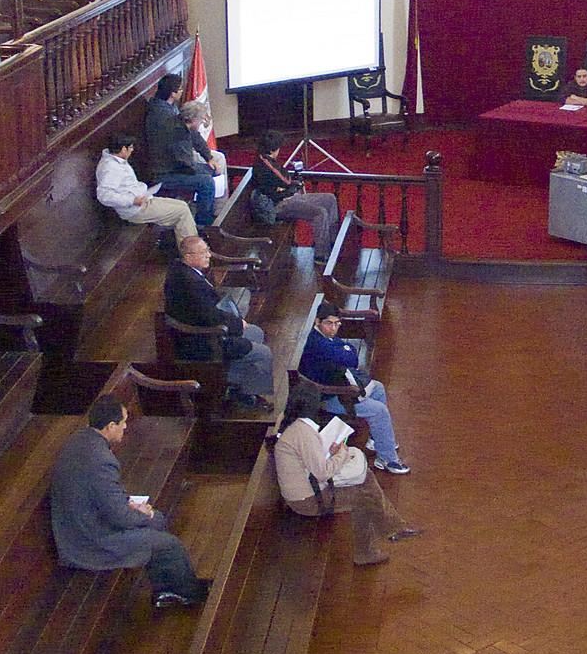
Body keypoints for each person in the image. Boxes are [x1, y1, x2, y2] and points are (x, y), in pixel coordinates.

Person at [49, 395, 208, 608]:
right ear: (111, 426)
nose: (126, 427)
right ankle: (189, 594)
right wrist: (144, 513)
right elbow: (119, 516)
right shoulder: (101, 460)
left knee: (156, 522)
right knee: (168, 543)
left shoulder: (80, 439)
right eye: (123, 422)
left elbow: (104, 496)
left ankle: (166, 590)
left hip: (85, 524)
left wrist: (132, 507)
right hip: (89, 541)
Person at [274, 379, 422, 566]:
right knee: (363, 497)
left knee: (365, 477)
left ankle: (393, 528)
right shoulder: (303, 432)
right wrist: (342, 452)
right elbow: (322, 473)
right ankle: (369, 549)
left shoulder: (291, 422)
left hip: (306, 487)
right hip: (306, 500)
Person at [162, 235, 276, 408]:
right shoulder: (190, 282)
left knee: (256, 333)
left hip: (205, 325)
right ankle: (244, 391)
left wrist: (236, 321)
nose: (209, 255)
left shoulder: (182, 270)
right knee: (264, 353)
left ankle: (241, 384)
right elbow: (209, 316)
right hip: (201, 339)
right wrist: (237, 323)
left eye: (207, 250)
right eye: (203, 252)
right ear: (188, 257)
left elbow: (207, 311)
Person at [298, 301, 411, 473]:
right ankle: (387, 460)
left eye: (337, 323)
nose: (334, 328)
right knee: (379, 410)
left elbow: (349, 351)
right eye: (329, 323)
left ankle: (376, 440)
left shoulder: (324, 336)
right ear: (317, 322)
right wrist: (345, 350)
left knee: (378, 388)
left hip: (336, 383)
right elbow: (351, 358)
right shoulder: (318, 344)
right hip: (327, 396)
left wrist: (345, 349)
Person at [250, 130, 342, 260]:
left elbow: (284, 182)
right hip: (276, 206)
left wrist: (286, 187)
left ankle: (333, 243)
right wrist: (288, 186)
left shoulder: (267, 159)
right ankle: (321, 255)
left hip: (285, 197)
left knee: (330, 199)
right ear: (273, 149)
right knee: (319, 213)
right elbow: (285, 179)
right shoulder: (265, 163)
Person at [94, 133, 198, 242]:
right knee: (181, 212)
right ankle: (192, 252)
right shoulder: (110, 168)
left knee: (182, 205)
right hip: (136, 210)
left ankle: (194, 246)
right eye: (131, 147)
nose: (132, 150)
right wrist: (132, 200)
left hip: (143, 200)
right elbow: (104, 196)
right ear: (123, 149)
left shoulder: (116, 161)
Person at [154, 100, 226, 225]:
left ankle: (214, 210)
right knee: (206, 181)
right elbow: (185, 165)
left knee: (211, 171)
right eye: (201, 120)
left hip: (179, 168)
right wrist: (206, 172)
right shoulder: (176, 134)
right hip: (165, 174)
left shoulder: (183, 124)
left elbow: (198, 140)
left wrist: (209, 158)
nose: (201, 123)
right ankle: (203, 223)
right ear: (193, 120)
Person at [140, 73, 187, 185]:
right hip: (166, 166)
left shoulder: (171, 106)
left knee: (217, 158)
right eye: (180, 89)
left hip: (179, 154)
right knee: (207, 181)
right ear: (172, 93)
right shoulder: (161, 114)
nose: (182, 91)